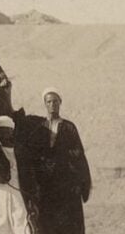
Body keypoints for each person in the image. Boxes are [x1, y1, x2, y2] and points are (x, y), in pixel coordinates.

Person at [37, 88, 91, 234]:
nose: (52, 104)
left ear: (60, 103)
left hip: (67, 185)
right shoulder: (39, 127)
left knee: (70, 225)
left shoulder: (69, 127)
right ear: (45, 104)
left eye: (55, 101)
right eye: (49, 101)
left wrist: (83, 183)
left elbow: (79, 154)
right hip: (46, 185)